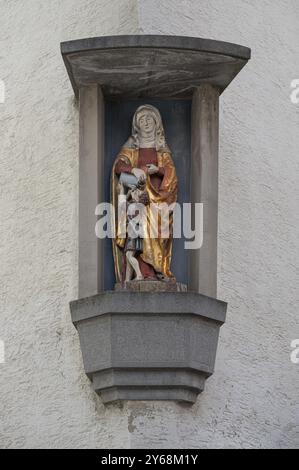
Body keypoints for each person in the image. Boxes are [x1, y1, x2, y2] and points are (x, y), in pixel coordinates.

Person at [111, 104, 178, 283]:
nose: (146, 123)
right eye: (142, 120)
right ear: (136, 126)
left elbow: (171, 175)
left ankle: (156, 272)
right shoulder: (131, 150)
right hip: (139, 202)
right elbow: (118, 167)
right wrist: (133, 169)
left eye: (150, 119)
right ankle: (141, 275)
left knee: (156, 234)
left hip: (158, 201)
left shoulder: (162, 152)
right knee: (138, 240)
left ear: (157, 124)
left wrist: (158, 170)